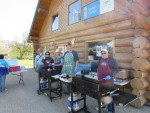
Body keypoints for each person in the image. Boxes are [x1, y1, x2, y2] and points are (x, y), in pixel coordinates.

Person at [96, 48, 119, 113]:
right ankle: (102, 107)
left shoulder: (113, 60)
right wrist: (88, 66)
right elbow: (96, 65)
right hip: (101, 80)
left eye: (104, 53)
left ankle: (110, 110)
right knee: (101, 95)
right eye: (102, 53)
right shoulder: (100, 59)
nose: (103, 54)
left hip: (109, 81)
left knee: (109, 96)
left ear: (108, 53)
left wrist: (111, 75)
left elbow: (116, 69)